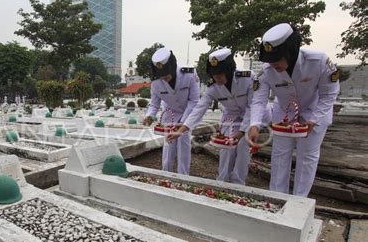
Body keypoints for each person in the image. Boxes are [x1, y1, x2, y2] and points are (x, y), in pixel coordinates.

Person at [248, 23, 340, 197]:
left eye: (278, 58)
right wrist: (254, 124)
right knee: (280, 157)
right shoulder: (267, 70)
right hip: (284, 115)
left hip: (314, 112)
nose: (274, 64)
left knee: (307, 158)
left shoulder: (318, 61)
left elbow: (329, 94)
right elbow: (259, 100)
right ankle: (276, 198)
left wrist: (315, 120)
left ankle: (299, 201)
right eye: (270, 59)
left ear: (291, 51)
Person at [167, 48, 270, 185]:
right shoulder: (213, 87)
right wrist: (182, 130)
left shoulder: (247, 79)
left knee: (243, 148)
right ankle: (222, 181)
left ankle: (238, 183)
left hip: (252, 116)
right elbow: (199, 108)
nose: (217, 78)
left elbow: (252, 106)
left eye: (220, 74)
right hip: (231, 117)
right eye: (214, 75)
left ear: (229, 71)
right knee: (226, 148)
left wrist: (240, 133)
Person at [143, 47, 199, 175]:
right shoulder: (156, 82)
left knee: (183, 145)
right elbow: (154, 104)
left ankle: (183, 176)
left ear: (173, 67)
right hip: (170, 115)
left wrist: (184, 122)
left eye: (167, 76)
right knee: (168, 147)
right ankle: (166, 175)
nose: (164, 79)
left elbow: (194, 101)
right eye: (161, 76)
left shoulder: (189, 74)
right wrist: (149, 116)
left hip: (187, 113)